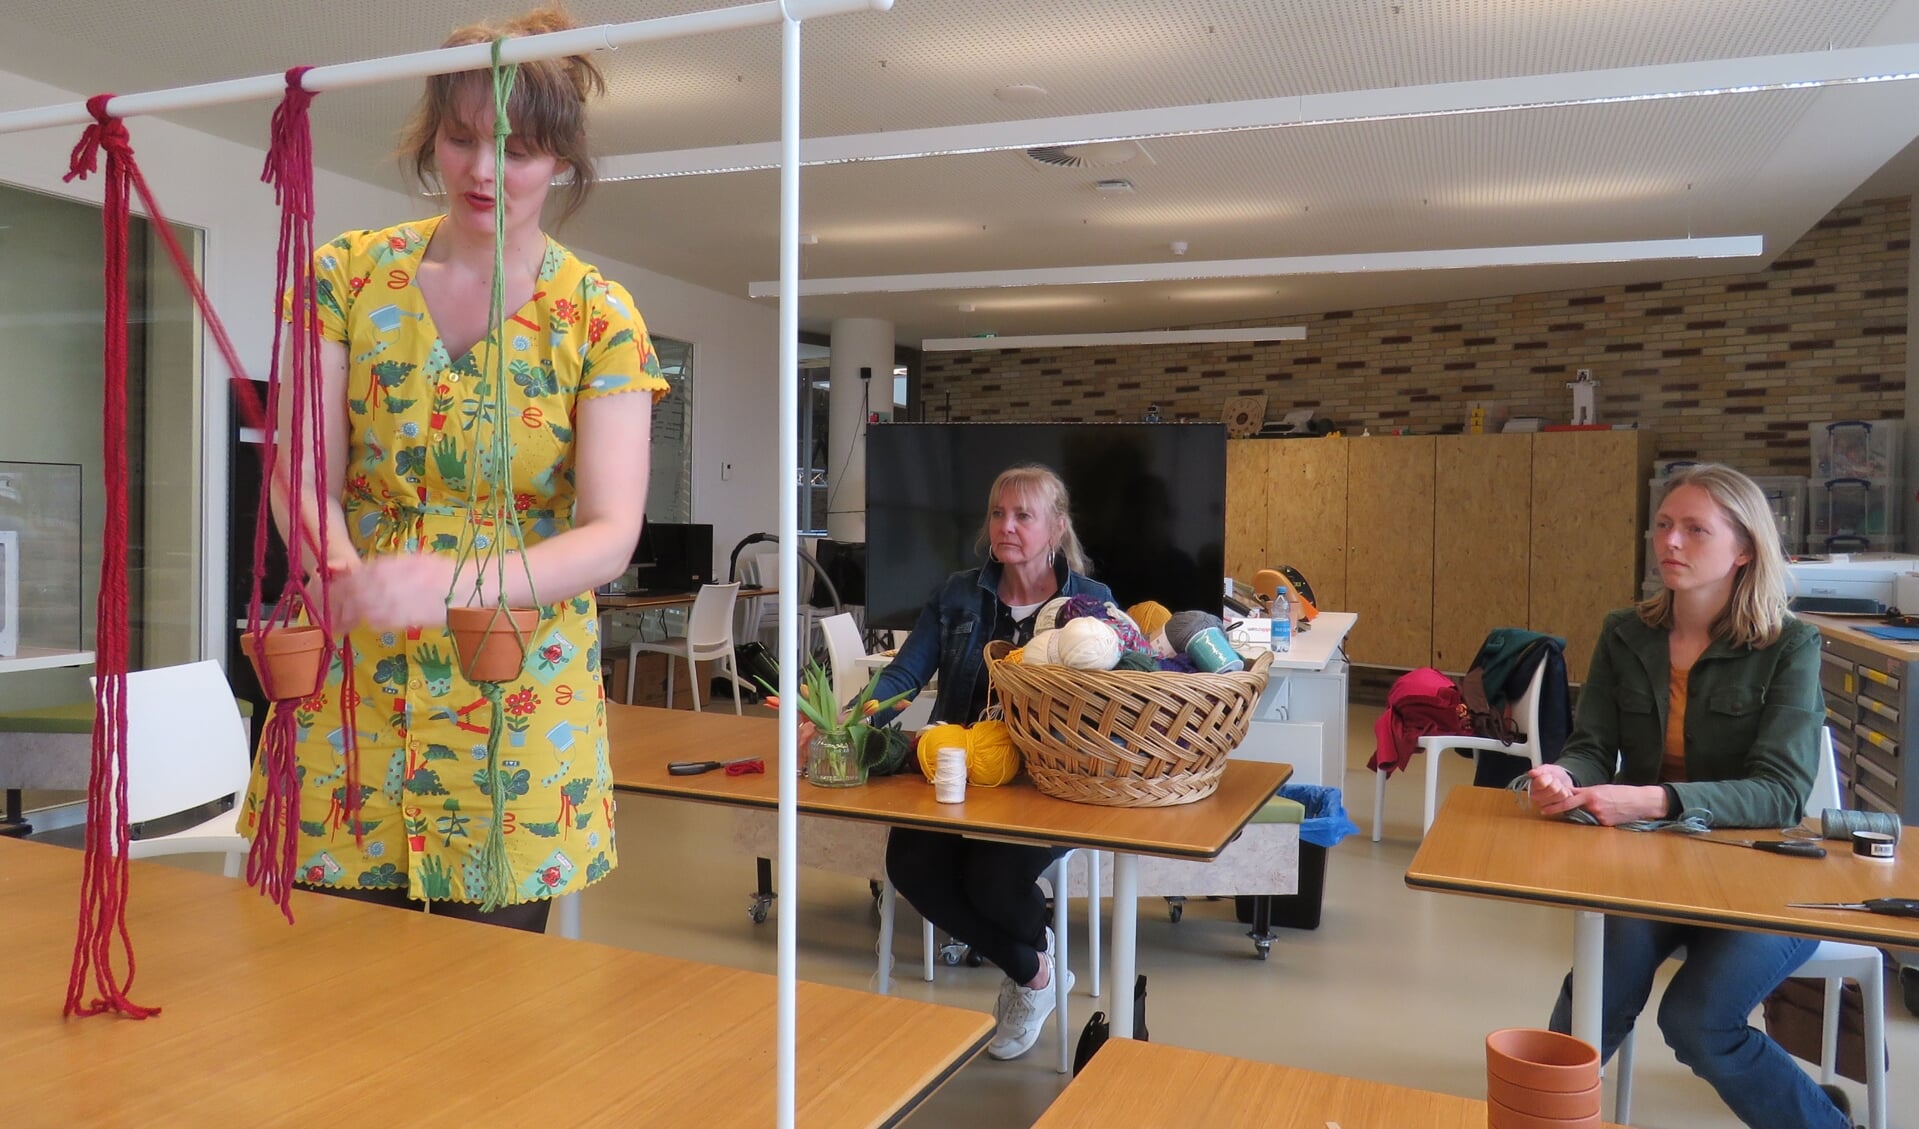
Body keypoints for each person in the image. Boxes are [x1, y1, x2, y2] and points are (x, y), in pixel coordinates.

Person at [242, 4, 667, 933]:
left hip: (516, 709)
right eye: (464, 137)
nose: (483, 169)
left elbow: (608, 533)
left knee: (486, 1036)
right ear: (432, 135)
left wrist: (450, 582)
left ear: (559, 160)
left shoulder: (598, 317)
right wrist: (338, 568)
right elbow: (298, 474)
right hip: (349, 697)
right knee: (319, 1004)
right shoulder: (345, 278)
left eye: (515, 149)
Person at [1524, 464, 1848, 1129]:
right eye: (1664, 525)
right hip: (1657, 866)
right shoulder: (1625, 632)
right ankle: (1538, 1119)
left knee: (1697, 1020)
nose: (1670, 542)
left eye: (1695, 529)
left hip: (1766, 876)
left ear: (1744, 548)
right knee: (1596, 987)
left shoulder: (1791, 644)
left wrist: (1651, 801)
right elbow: (1592, 743)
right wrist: (1564, 775)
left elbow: (1781, 792)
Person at [869, 464, 1113, 1061]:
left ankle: (1028, 965)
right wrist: (851, 723)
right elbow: (905, 674)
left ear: (1056, 527)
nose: (1006, 526)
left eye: (1023, 515)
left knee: (989, 876)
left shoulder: (1093, 607)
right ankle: (1036, 971)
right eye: (998, 513)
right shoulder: (957, 594)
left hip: (1048, 787)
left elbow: (1111, 705)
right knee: (910, 863)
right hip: (958, 775)